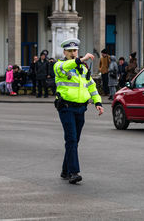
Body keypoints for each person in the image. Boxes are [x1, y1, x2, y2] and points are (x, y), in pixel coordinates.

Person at [54, 38, 104, 184]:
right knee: (71, 139)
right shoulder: (59, 65)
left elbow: (91, 86)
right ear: (64, 52)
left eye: (74, 50)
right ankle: (73, 172)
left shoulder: (83, 68)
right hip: (66, 107)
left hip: (81, 108)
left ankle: (65, 170)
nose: (72, 53)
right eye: (69, 51)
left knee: (74, 141)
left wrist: (98, 102)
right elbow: (67, 66)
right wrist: (82, 59)